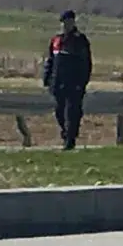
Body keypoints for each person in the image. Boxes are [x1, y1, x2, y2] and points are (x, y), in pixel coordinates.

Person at [42, 9, 93, 150]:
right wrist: (47, 78)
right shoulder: (56, 40)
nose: (66, 25)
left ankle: (70, 140)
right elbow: (50, 60)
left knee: (72, 112)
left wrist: (82, 83)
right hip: (58, 83)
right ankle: (66, 133)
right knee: (59, 111)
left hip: (74, 83)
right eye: (64, 22)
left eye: (69, 22)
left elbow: (86, 64)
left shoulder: (79, 40)